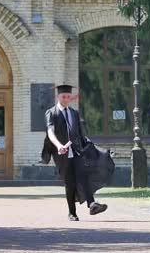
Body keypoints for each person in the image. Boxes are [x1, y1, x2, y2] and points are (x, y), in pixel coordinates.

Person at [42, 84, 109, 221]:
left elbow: (79, 133)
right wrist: (59, 145)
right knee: (70, 182)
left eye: (68, 96)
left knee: (84, 176)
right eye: (63, 96)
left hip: (77, 151)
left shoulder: (74, 113)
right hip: (61, 154)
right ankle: (72, 213)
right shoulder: (52, 113)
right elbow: (50, 132)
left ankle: (92, 205)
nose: (66, 99)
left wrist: (87, 147)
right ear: (58, 97)